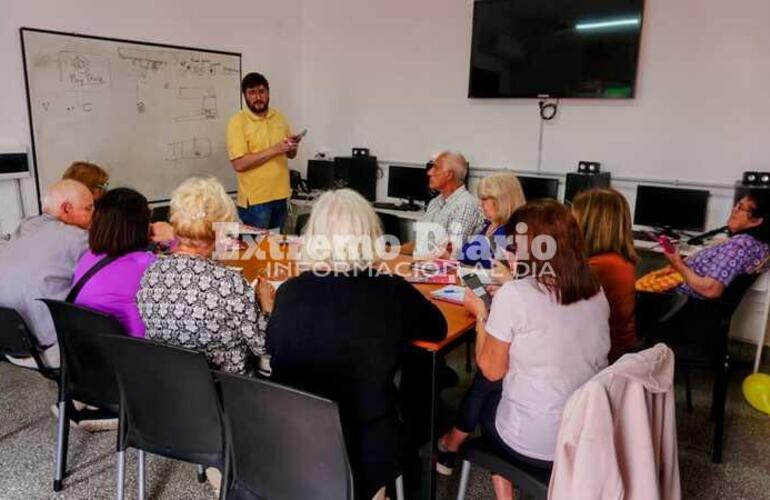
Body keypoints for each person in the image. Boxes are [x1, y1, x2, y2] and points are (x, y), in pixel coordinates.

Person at [266, 189, 447, 500]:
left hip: (293, 440)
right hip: (366, 446)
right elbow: (437, 328)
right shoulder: (390, 290)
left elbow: (273, 347)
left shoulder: (289, 291)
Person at [436, 200, 610, 500]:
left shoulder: (516, 296)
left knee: (488, 391)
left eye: (513, 248)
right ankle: (452, 444)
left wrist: (481, 312)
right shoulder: (595, 288)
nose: (507, 254)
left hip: (536, 441)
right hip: (585, 433)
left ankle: (460, 453)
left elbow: (490, 369)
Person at [137, 177, 270, 375]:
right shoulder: (229, 283)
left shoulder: (151, 273)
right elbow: (264, 347)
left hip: (166, 386)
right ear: (221, 229)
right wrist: (267, 308)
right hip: (226, 391)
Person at [0, 179, 94, 368]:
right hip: (49, 351)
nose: (94, 215)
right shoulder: (77, 239)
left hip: (9, 345)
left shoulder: (23, 230)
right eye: (88, 208)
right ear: (67, 208)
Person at [71, 188, 157, 338]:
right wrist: (175, 236)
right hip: (136, 352)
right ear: (141, 225)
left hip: (89, 350)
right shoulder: (145, 264)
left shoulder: (88, 257)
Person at [227, 72, 302, 230]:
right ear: (245, 96)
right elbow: (239, 164)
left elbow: (290, 155)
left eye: (261, 91)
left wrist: (292, 146)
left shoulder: (279, 117)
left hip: (281, 196)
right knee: (254, 251)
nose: (258, 97)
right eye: (252, 93)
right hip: (255, 202)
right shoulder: (237, 122)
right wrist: (275, 149)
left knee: (276, 251)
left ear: (268, 93)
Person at [572, 188, 639, 362]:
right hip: (610, 350)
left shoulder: (602, 267)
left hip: (602, 357)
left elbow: (553, 300)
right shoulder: (617, 261)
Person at [665, 190, 770, 299]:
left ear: (756, 220)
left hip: (681, 302)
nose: (734, 209)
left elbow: (710, 290)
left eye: (741, 208)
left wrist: (677, 263)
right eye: (737, 204)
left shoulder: (739, 246)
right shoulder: (760, 246)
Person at [402, 151, 483, 258]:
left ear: (449, 174)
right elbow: (422, 244)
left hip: (440, 269)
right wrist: (389, 250)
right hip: (421, 265)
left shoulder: (465, 205)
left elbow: (452, 253)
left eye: (435, 168)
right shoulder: (434, 202)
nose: (429, 172)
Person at [460, 172, 525, 268]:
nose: (479, 204)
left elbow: (469, 255)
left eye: (484, 199)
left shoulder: (510, 231)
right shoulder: (492, 225)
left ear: (502, 200)